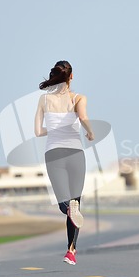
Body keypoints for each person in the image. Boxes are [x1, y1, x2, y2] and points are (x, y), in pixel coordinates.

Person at [34, 60, 95, 265]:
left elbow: (37, 132)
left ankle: (68, 208)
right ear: (71, 77)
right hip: (76, 153)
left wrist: (52, 130)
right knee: (75, 202)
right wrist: (90, 131)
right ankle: (71, 251)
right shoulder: (78, 98)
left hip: (54, 153)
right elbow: (84, 117)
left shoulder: (44, 100)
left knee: (65, 203)